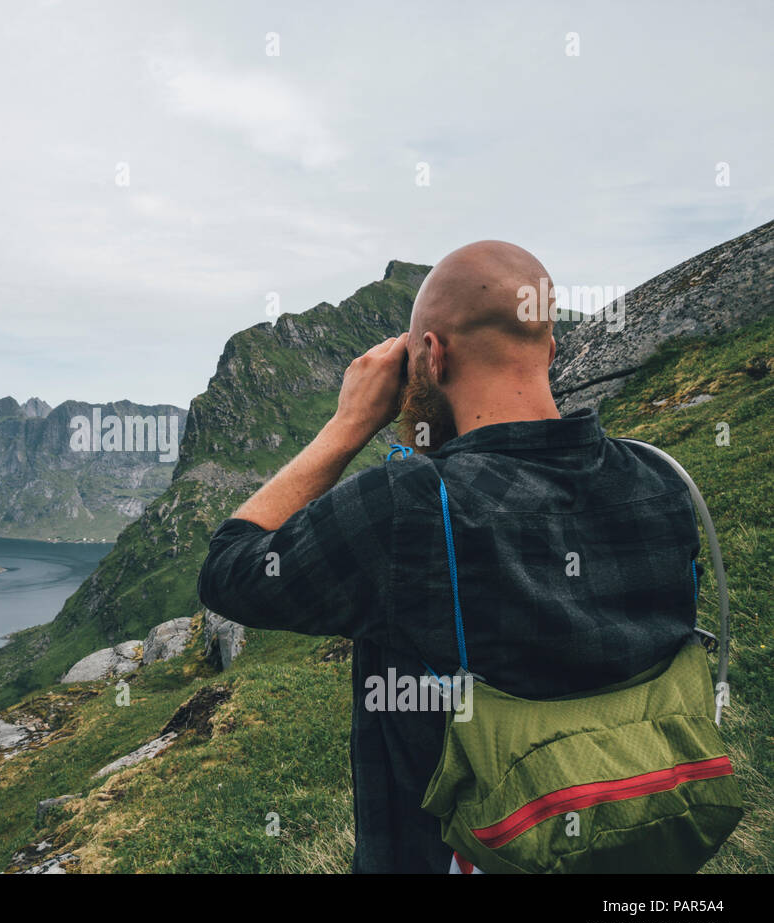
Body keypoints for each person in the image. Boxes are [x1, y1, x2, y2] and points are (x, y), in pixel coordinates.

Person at [196, 241, 702, 873]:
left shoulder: (409, 504)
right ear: (550, 350)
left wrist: (347, 423)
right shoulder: (660, 480)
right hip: (640, 842)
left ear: (432, 356)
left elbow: (230, 571)